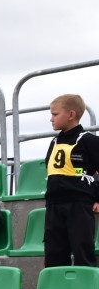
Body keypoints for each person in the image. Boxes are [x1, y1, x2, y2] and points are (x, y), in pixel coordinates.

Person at [43, 94, 99, 267]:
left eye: (55, 114)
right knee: (54, 255)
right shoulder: (54, 142)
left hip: (79, 205)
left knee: (82, 252)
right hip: (54, 205)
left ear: (71, 114)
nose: (51, 119)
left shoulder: (88, 140)